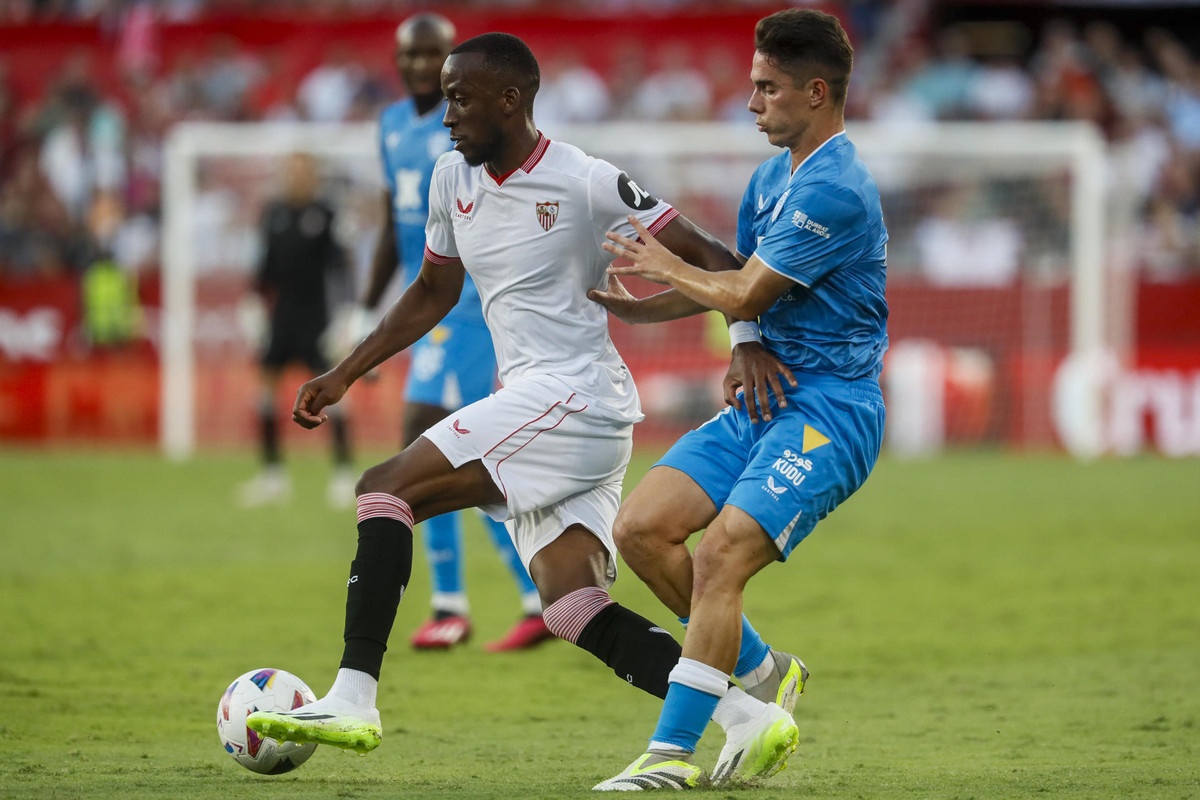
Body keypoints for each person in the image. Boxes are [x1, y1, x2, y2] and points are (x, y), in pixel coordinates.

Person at [246, 32, 801, 788]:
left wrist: (743, 340)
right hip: (543, 404)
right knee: (571, 605)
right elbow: (434, 292)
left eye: (460, 99)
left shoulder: (585, 180)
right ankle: (747, 715)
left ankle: (353, 697)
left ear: (511, 99)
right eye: (444, 99)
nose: (445, 117)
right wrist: (346, 372)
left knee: (384, 488)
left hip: (575, 396)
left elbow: (717, 256)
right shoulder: (451, 178)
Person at [591, 8, 888, 790]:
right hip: (767, 396)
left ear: (816, 92)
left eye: (768, 89)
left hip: (830, 412)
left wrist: (662, 264)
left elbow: (744, 284)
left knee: (721, 555)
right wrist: (736, 338)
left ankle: (668, 756)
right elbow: (742, 299)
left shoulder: (838, 190)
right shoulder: (768, 180)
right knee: (643, 529)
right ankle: (763, 673)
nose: (752, 103)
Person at [361, 13, 551, 652]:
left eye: (432, 56)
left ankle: (494, 598)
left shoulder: (467, 125)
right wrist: (367, 307)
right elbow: (394, 221)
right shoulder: (390, 126)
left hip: (469, 305)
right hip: (429, 303)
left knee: (434, 442)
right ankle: (502, 599)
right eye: (410, 56)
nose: (420, 67)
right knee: (439, 449)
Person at [236, 151, 356, 509]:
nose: (297, 178)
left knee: (329, 393)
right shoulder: (272, 214)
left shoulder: (327, 214)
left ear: (314, 176)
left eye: (304, 172)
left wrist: (344, 316)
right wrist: (253, 304)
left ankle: (343, 473)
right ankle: (272, 476)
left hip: (316, 316)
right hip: (282, 316)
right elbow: (263, 268)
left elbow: (342, 269)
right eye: (292, 172)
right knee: (268, 388)